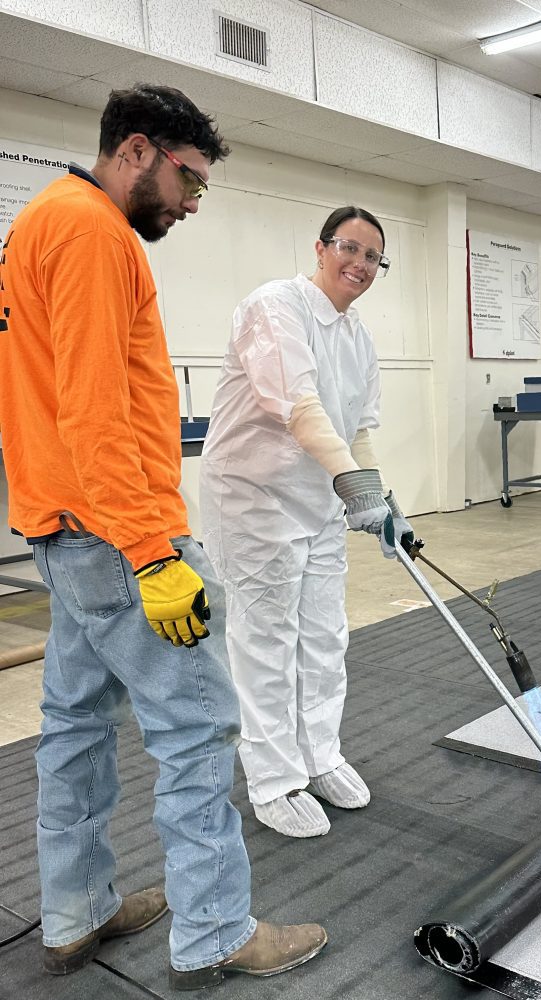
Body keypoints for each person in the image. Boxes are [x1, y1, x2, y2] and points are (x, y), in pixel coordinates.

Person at [0, 84, 326, 988]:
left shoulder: (37, 222)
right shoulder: (96, 233)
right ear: (136, 151)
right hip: (115, 537)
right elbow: (96, 409)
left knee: (72, 725)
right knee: (194, 729)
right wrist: (152, 553)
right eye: (190, 180)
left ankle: (75, 913)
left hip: (60, 529)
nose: (191, 203)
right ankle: (218, 931)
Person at [200, 206, 413, 839]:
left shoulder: (358, 336)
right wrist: (355, 484)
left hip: (319, 503)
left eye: (373, 257)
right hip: (255, 499)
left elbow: (358, 427)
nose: (360, 264)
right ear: (320, 248)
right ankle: (273, 779)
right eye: (350, 249)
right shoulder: (274, 307)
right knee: (267, 638)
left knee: (324, 636)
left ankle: (320, 756)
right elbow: (299, 404)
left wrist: (379, 498)